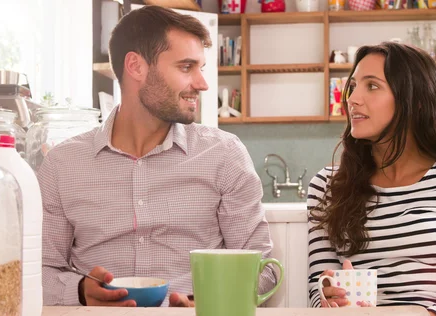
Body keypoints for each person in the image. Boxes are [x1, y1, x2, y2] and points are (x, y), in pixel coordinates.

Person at [40, 5, 276, 308]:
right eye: (186, 67)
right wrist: (80, 291)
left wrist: (211, 299)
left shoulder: (224, 155)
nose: (202, 84)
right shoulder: (63, 165)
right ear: (136, 66)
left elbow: (264, 269)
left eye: (201, 68)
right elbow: (38, 272)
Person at [307, 42, 436, 316]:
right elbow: (318, 290)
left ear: (416, 101)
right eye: (353, 86)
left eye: (372, 86)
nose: (352, 98)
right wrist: (328, 299)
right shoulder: (327, 187)